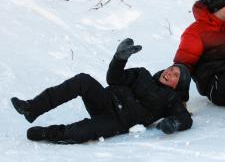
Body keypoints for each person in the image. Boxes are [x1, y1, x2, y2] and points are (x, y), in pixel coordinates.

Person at [11, 38, 192, 144]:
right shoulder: (142, 74)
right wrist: (119, 59)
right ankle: (32, 108)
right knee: (83, 80)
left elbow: (186, 119)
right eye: (171, 68)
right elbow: (114, 79)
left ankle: (47, 134)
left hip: (117, 121)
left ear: (178, 86)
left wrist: (174, 123)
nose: (169, 72)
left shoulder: (170, 100)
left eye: (175, 74)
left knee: (85, 130)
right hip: (106, 99)